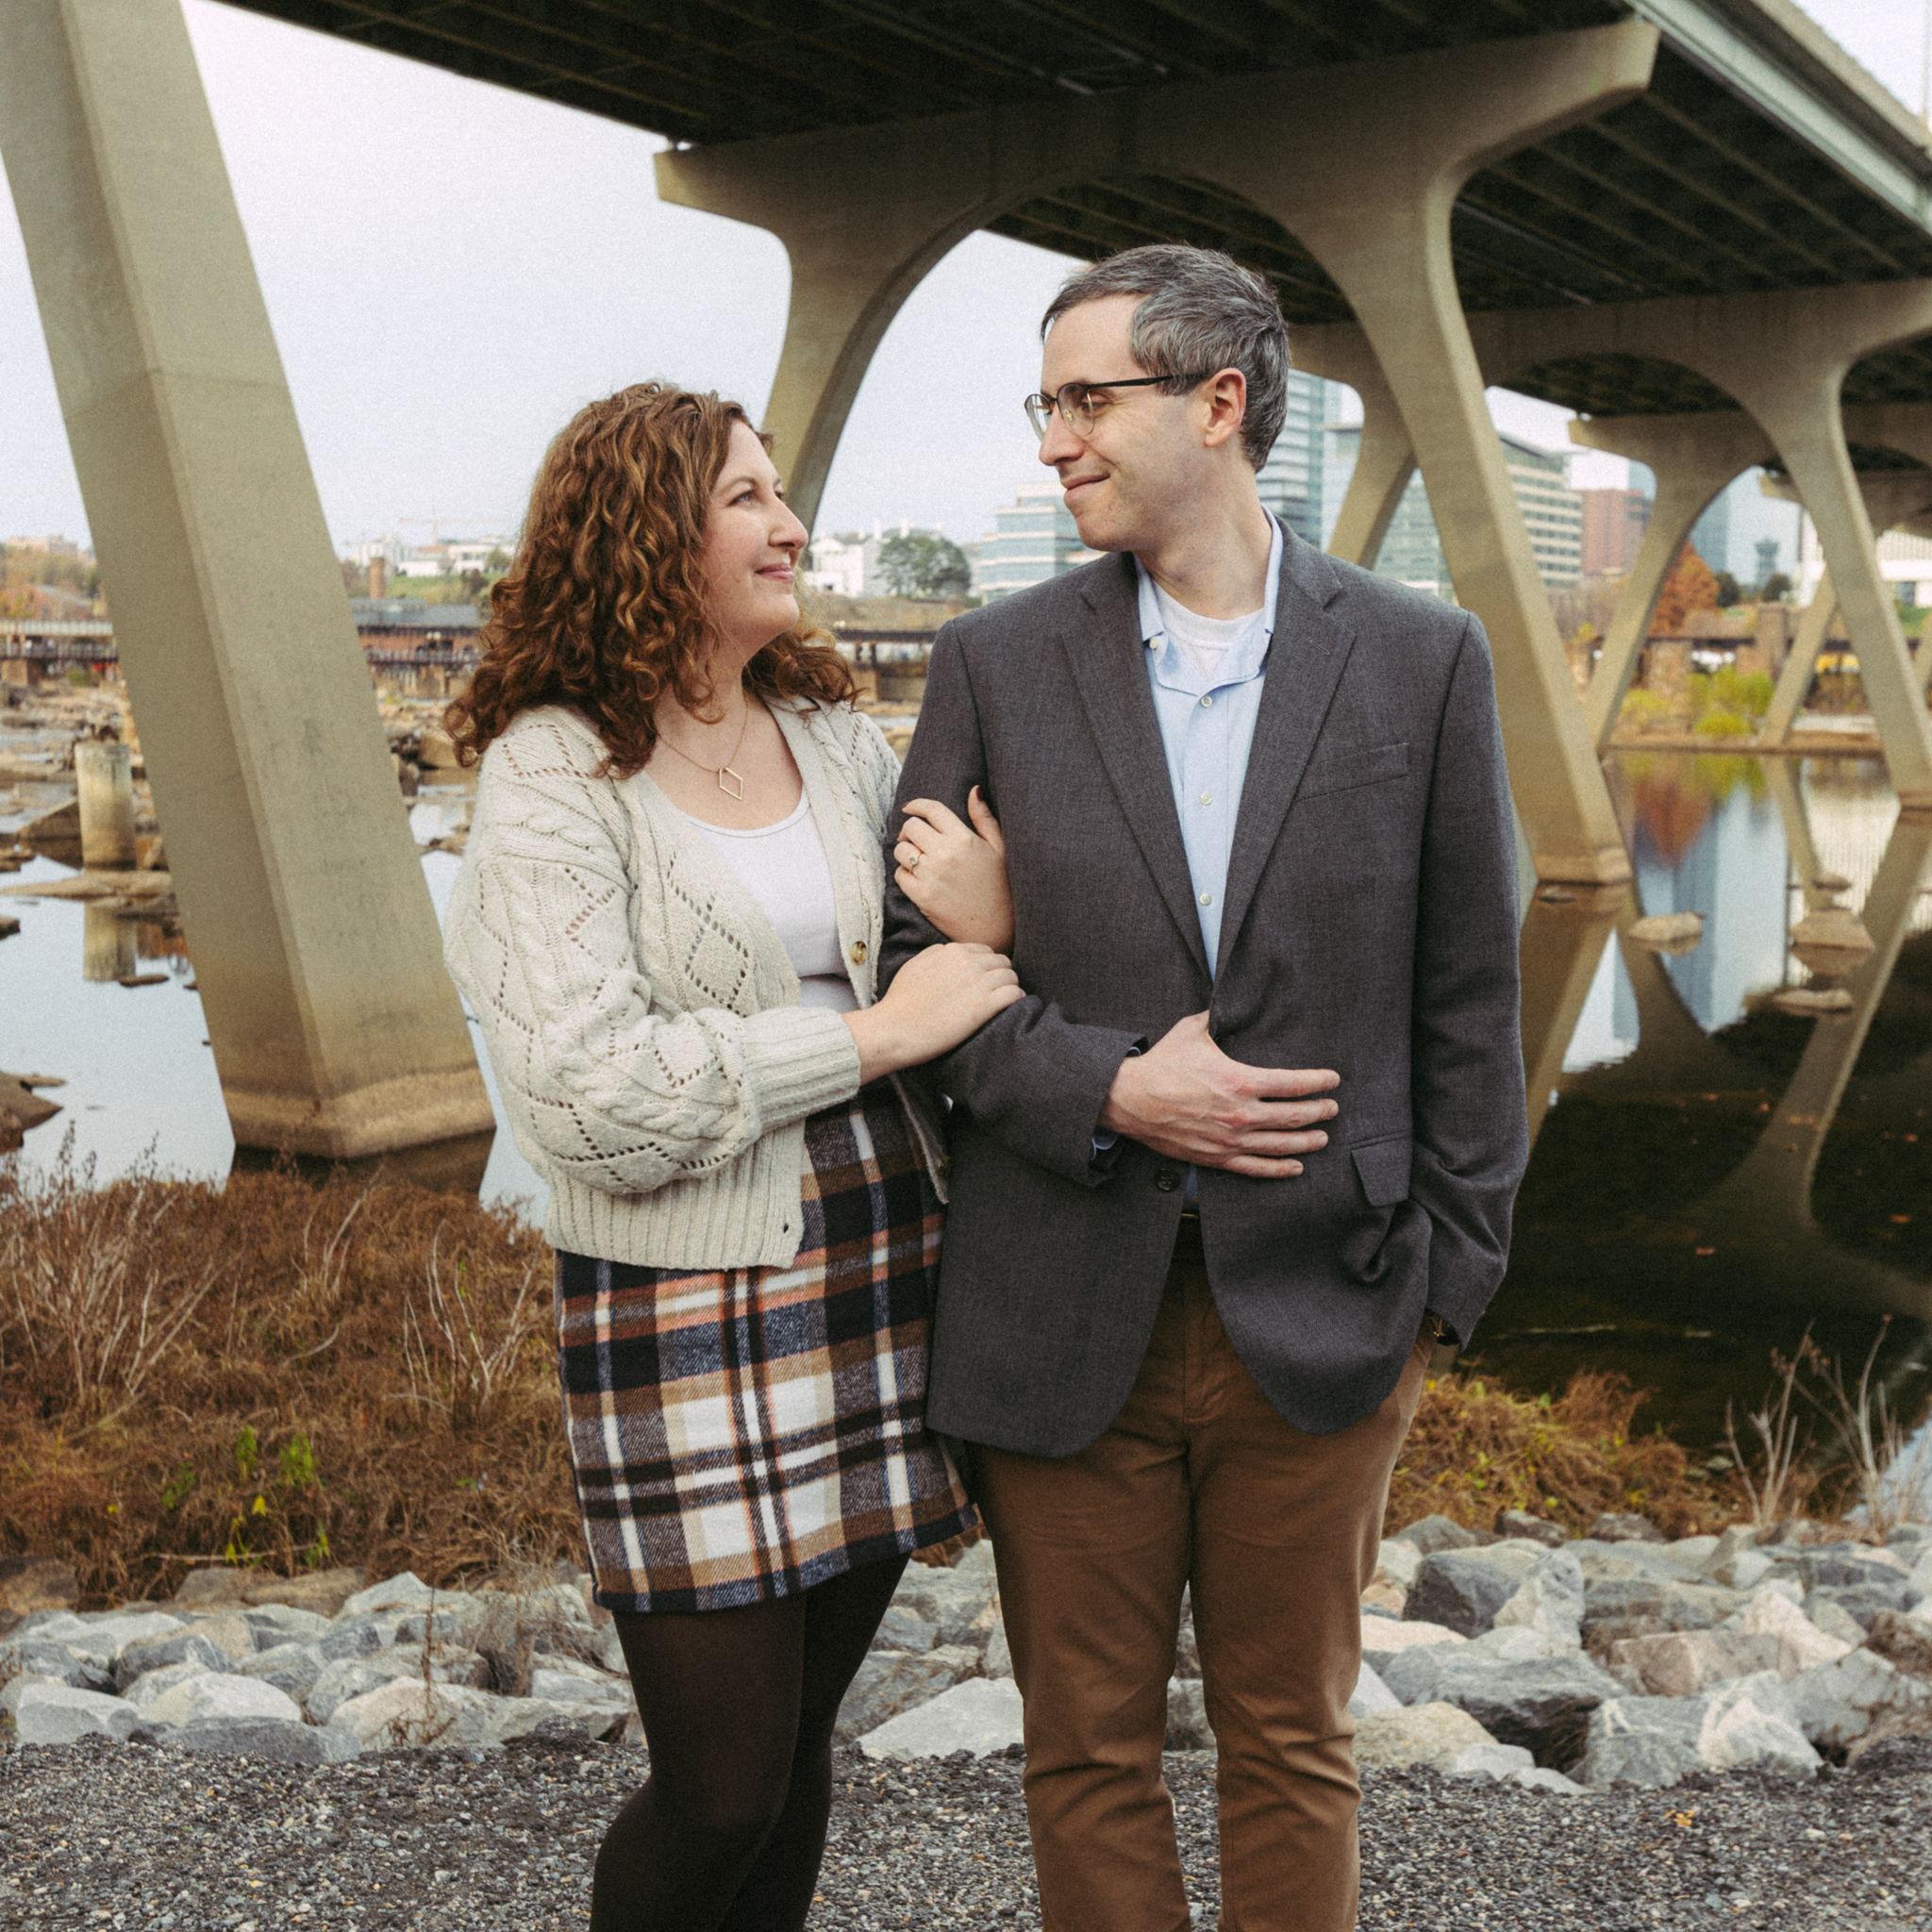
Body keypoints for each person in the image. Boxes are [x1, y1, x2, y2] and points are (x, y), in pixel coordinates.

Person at [880, 245, 1529, 1932]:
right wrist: (1112, 1090)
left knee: (1293, 1742)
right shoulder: (995, 662)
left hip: (1326, 1311)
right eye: (1045, 405)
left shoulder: (1424, 657)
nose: (1054, 441)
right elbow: (913, 975)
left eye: (1088, 400)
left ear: (1220, 402)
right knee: (1083, 1752)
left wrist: (1442, 1287)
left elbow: (1470, 996)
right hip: (1053, 1304)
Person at [440, 382, 1022, 1932]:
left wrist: (994, 924)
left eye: (783, 492)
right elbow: (581, 1098)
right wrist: (867, 1041)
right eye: (747, 497)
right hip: (686, 1293)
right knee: (720, 1785)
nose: (791, 524)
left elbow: (953, 952)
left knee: (801, 1747)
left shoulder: (836, 738)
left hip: (888, 1261)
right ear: (646, 532)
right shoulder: (554, 771)